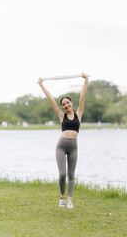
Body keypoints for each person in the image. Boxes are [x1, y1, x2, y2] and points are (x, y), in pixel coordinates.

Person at [38, 73, 89, 208]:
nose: (66, 105)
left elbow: (82, 96)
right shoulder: (61, 116)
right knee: (62, 174)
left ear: (71, 103)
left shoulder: (79, 114)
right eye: (64, 104)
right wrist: (41, 85)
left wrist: (86, 82)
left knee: (71, 174)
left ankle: (70, 200)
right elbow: (51, 100)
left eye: (68, 102)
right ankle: (62, 197)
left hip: (73, 147)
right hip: (61, 146)